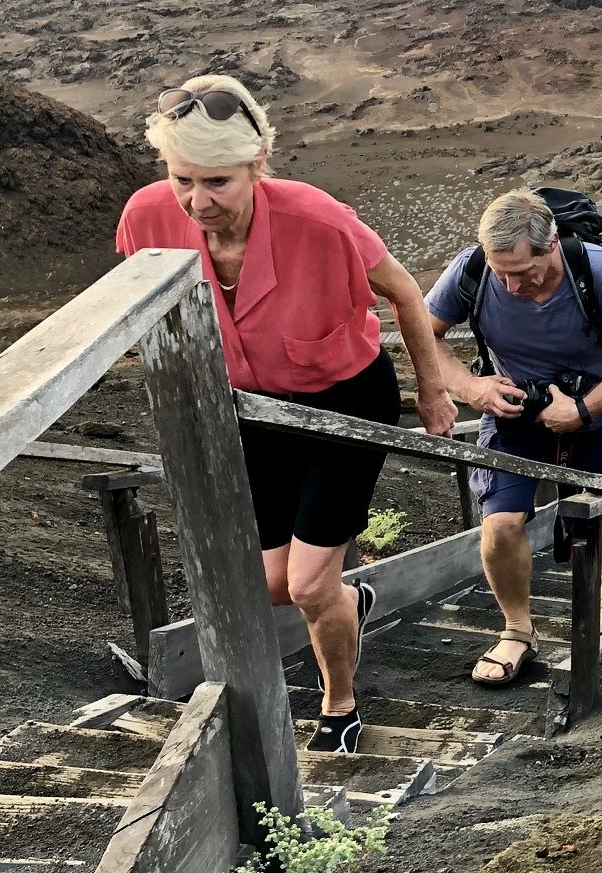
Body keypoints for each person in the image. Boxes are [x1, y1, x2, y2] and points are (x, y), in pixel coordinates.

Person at [115, 75, 457, 754]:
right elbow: (141, 305)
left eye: (218, 182)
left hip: (343, 403)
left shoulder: (318, 219)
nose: (198, 202)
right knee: (275, 583)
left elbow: (405, 292)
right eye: (183, 180)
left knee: (307, 582)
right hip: (253, 411)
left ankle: (339, 702)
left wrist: (432, 391)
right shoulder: (146, 217)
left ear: (258, 162)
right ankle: (350, 602)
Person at [424, 190, 602, 687]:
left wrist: (583, 409)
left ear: (550, 245)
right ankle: (517, 630)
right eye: (500, 273)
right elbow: (427, 333)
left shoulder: (598, 271)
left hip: (591, 415)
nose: (511, 285)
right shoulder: (471, 271)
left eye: (523, 272)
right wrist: (471, 387)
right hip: (511, 417)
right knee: (500, 524)